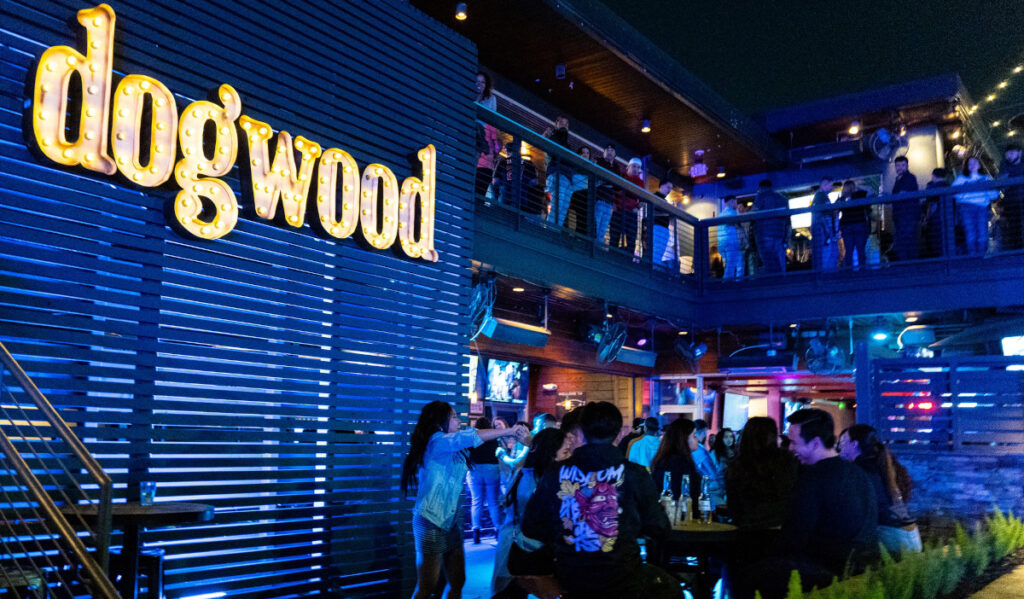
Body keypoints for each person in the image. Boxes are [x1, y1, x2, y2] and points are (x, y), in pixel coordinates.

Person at [521, 401, 681, 599]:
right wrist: (628, 524)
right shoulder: (635, 474)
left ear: (582, 432)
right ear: (620, 434)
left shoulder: (555, 472)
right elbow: (659, 528)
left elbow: (531, 526)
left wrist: (564, 532)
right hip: (623, 578)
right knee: (671, 587)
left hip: (570, 577)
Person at [400, 401, 526, 599]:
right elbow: (469, 437)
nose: (459, 420)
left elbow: (470, 440)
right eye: (454, 416)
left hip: (450, 521)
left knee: (458, 580)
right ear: (441, 420)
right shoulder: (437, 441)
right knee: (427, 586)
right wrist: (506, 431)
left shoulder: (453, 445)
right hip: (431, 520)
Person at [782, 409, 878, 576]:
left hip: (825, 573)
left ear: (815, 443)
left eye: (794, 442)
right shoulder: (859, 473)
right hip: (863, 568)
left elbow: (795, 536)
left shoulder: (812, 479)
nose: (790, 448)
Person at [491, 428, 571, 599]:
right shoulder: (534, 482)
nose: (569, 456)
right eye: (565, 451)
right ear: (551, 454)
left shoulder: (538, 475)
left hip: (523, 548)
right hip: (521, 548)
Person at [725, 418, 798, 564]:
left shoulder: (736, 466)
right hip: (781, 532)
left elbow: (734, 507)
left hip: (747, 534)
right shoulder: (787, 462)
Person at [839, 425, 922, 554]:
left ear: (854, 444)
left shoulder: (860, 470)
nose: (839, 446)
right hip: (909, 534)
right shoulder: (882, 464)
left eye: (843, 441)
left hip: (892, 537)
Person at [466, 417, 505, 544]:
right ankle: (498, 530)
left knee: (476, 501)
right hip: (492, 468)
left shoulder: (474, 437)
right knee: (493, 502)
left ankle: (476, 532)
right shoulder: (493, 437)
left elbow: (467, 453)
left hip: (475, 468)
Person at [544, 116, 587, 227]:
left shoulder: (567, 144)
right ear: (556, 124)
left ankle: (555, 231)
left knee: (563, 208)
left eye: (566, 124)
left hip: (567, 178)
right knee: (558, 206)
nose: (564, 125)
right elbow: (550, 152)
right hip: (557, 174)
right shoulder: (554, 138)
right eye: (562, 122)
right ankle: (549, 232)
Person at [650, 418, 702, 508]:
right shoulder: (679, 463)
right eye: (694, 435)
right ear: (684, 438)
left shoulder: (666, 459)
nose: (697, 439)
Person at [953, 156, 1000, 255]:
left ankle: (980, 255)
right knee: (971, 233)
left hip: (981, 208)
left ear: (979, 165)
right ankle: (973, 256)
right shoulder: (961, 179)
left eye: (975, 163)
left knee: (982, 232)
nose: (972, 165)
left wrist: (986, 188)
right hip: (966, 207)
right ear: (966, 166)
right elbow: (953, 193)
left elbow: (994, 194)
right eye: (970, 163)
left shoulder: (986, 178)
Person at [752, 180, 789, 274]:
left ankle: (771, 284)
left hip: (764, 235)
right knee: (780, 261)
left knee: (768, 261)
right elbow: (787, 220)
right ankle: (782, 283)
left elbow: (754, 213)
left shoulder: (761, 196)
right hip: (779, 234)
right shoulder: (782, 198)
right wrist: (786, 238)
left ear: (760, 188)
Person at [475, 73, 501, 201]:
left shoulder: (491, 99)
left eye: (482, 82)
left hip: (482, 139)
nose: (479, 84)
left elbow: (492, 122)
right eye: (477, 81)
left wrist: (495, 146)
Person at [890, 156, 921, 261]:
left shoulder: (910, 177)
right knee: (904, 241)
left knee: (908, 241)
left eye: (902, 165)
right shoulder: (898, 179)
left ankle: (910, 265)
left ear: (907, 166)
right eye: (897, 165)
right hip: (900, 216)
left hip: (908, 216)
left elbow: (904, 194)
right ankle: (907, 264)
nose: (900, 168)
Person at [612, 158, 644, 253]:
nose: (636, 169)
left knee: (631, 239)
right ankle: (611, 256)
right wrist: (614, 204)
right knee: (614, 237)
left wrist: (637, 207)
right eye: (634, 166)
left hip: (631, 213)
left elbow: (642, 199)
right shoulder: (621, 177)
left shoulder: (641, 182)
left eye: (638, 167)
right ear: (628, 167)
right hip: (618, 211)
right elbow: (614, 191)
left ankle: (628, 261)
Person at [839, 181, 871, 268]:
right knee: (861, 250)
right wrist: (858, 187)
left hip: (846, 226)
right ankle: (862, 271)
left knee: (849, 251)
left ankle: (849, 273)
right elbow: (870, 190)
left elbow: (835, 209)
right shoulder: (861, 194)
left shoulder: (842, 198)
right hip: (860, 224)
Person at [810, 178, 838, 271]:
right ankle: (826, 279)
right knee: (827, 255)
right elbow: (820, 216)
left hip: (823, 231)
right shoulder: (820, 196)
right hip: (822, 231)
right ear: (824, 185)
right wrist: (827, 233)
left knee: (827, 255)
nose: (832, 187)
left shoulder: (822, 196)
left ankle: (825, 278)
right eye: (831, 185)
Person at [922, 168, 951, 258]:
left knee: (934, 242)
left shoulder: (931, 188)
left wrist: (925, 219)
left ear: (933, 176)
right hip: (947, 219)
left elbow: (928, 204)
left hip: (934, 220)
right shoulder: (949, 187)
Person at [1000, 143, 1024, 251]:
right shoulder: (1004, 166)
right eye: (1008, 154)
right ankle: (1016, 250)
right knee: (1014, 228)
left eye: (1012, 153)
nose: (1009, 156)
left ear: (1019, 153)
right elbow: (1002, 184)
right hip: (1011, 202)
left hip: (1019, 200)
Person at [594, 144, 619, 244]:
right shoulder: (599, 161)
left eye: (612, 149)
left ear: (615, 154)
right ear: (603, 152)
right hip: (598, 200)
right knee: (595, 226)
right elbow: (599, 179)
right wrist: (608, 183)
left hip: (609, 203)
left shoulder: (616, 167)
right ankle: (592, 249)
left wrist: (605, 183)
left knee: (603, 230)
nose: (609, 151)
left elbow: (616, 185)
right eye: (607, 149)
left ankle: (598, 250)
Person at [497, 419, 530, 496]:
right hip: (517, 480)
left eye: (515, 430)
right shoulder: (519, 443)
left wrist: (503, 456)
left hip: (521, 482)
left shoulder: (522, 444)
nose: (512, 432)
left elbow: (517, 464)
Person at [718, 196, 742, 277]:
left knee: (732, 264)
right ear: (731, 202)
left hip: (721, 243)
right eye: (736, 202)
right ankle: (729, 284)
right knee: (733, 265)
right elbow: (739, 225)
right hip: (731, 242)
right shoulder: (733, 213)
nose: (736, 204)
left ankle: (734, 282)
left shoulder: (720, 214)